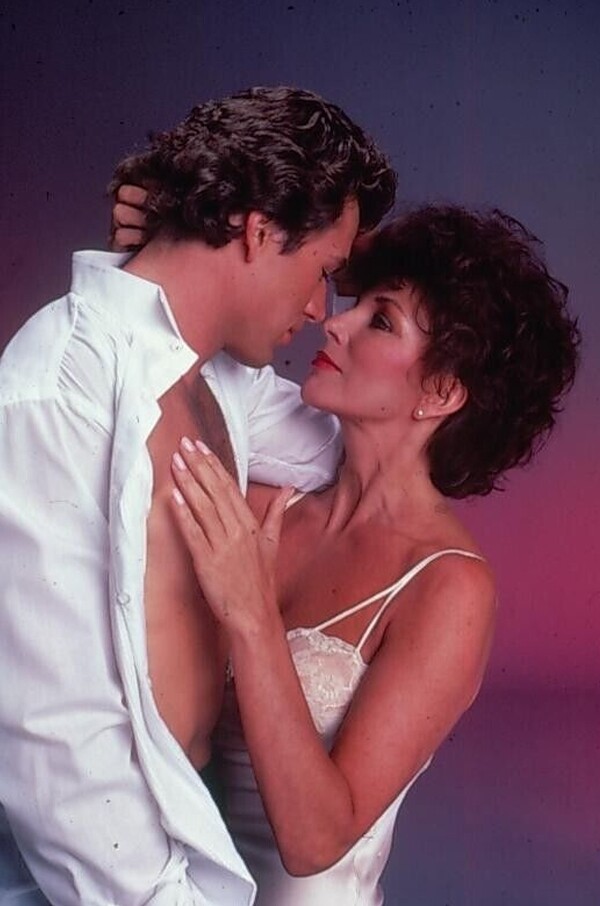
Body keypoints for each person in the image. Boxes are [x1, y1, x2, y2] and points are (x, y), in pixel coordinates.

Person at [0, 87, 395, 906]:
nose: (318, 309)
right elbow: (53, 744)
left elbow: (356, 451)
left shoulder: (218, 380)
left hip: (197, 853)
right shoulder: (59, 391)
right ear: (258, 230)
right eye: (322, 272)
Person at [164, 205, 580, 905]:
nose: (335, 322)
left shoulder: (448, 587)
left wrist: (252, 616)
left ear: (442, 392)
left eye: (380, 320)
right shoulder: (266, 502)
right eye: (354, 301)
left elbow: (315, 840)